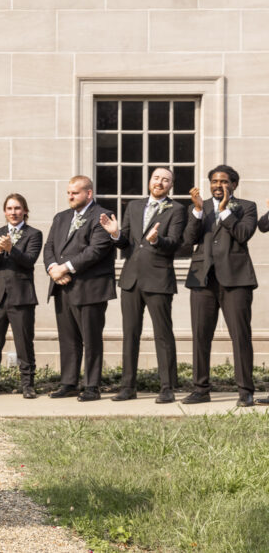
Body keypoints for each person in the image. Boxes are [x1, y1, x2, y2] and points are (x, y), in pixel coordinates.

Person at [99, 168, 186, 404]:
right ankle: (128, 387)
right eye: (156, 178)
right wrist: (116, 235)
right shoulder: (134, 206)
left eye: (165, 180)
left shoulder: (177, 209)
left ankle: (167, 387)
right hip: (131, 279)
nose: (160, 182)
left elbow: (175, 244)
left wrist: (157, 240)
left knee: (163, 334)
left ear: (171, 185)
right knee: (130, 334)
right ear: (149, 181)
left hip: (158, 278)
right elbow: (126, 245)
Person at [182, 165, 257, 407]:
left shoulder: (246, 207)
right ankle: (200, 389)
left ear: (234, 185)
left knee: (240, 336)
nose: (217, 185)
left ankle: (245, 390)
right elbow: (189, 240)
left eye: (223, 181)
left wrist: (224, 212)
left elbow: (244, 234)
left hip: (236, 280)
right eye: (214, 181)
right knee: (200, 336)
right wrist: (196, 211)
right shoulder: (199, 207)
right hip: (202, 279)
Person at [43, 175, 115, 402]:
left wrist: (65, 268)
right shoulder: (61, 217)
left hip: (90, 288)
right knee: (67, 338)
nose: (70, 196)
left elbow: (96, 250)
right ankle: (69, 382)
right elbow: (49, 247)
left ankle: (92, 386)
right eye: (68, 193)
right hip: (62, 287)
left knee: (91, 338)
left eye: (75, 193)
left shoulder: (102, 216)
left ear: (89, 194)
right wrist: (53, 268)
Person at [0, 193, 43, 398]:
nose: (13, 212)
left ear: (24, 211)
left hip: (22, 297)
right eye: (9, 209)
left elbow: (29, 260)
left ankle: (28, 385)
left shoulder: (34, 234)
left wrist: (11, 249)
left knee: (24, 341)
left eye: (17, 208)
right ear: (4, 212)